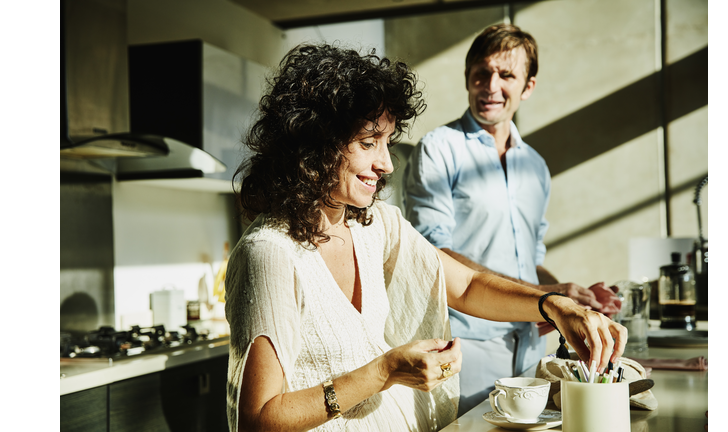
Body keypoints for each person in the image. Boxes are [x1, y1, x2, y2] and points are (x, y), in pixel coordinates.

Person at [226, 43, 626, 432]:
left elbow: (466, 284)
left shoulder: (375, 225)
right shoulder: (270, 254)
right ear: (315, 145)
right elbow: (259, 420)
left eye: (387, 142)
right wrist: (384, 371)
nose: (385, 163)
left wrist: (556, 306)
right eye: (368, 143)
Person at [403, 24, 622, 415]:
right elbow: (436, 254)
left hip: (530, 347)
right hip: (466, 345)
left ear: (528, 86)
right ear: (468, 77)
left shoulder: (536, 166)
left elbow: (528, 259)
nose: (490, 85)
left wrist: (566, 295)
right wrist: (548, 298)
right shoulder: (438, 150)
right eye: (481, 72)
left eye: (506, 75)